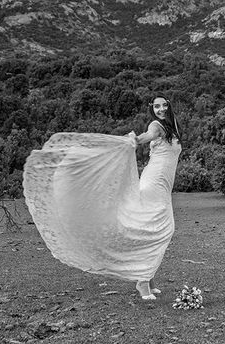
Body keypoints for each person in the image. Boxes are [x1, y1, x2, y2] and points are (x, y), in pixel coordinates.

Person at [22, 95, 182, 301]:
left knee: (154, 226)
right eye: (157, 106)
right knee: (161, 228)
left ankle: (148, 279)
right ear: (153, 109)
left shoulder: (172, 127)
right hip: (154, 181)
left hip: (162, 182)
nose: (161, 109)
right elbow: (146, 136)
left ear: (169, 106)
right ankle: (143, 282)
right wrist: (133, 140)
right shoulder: (157, 126)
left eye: (164, 105)